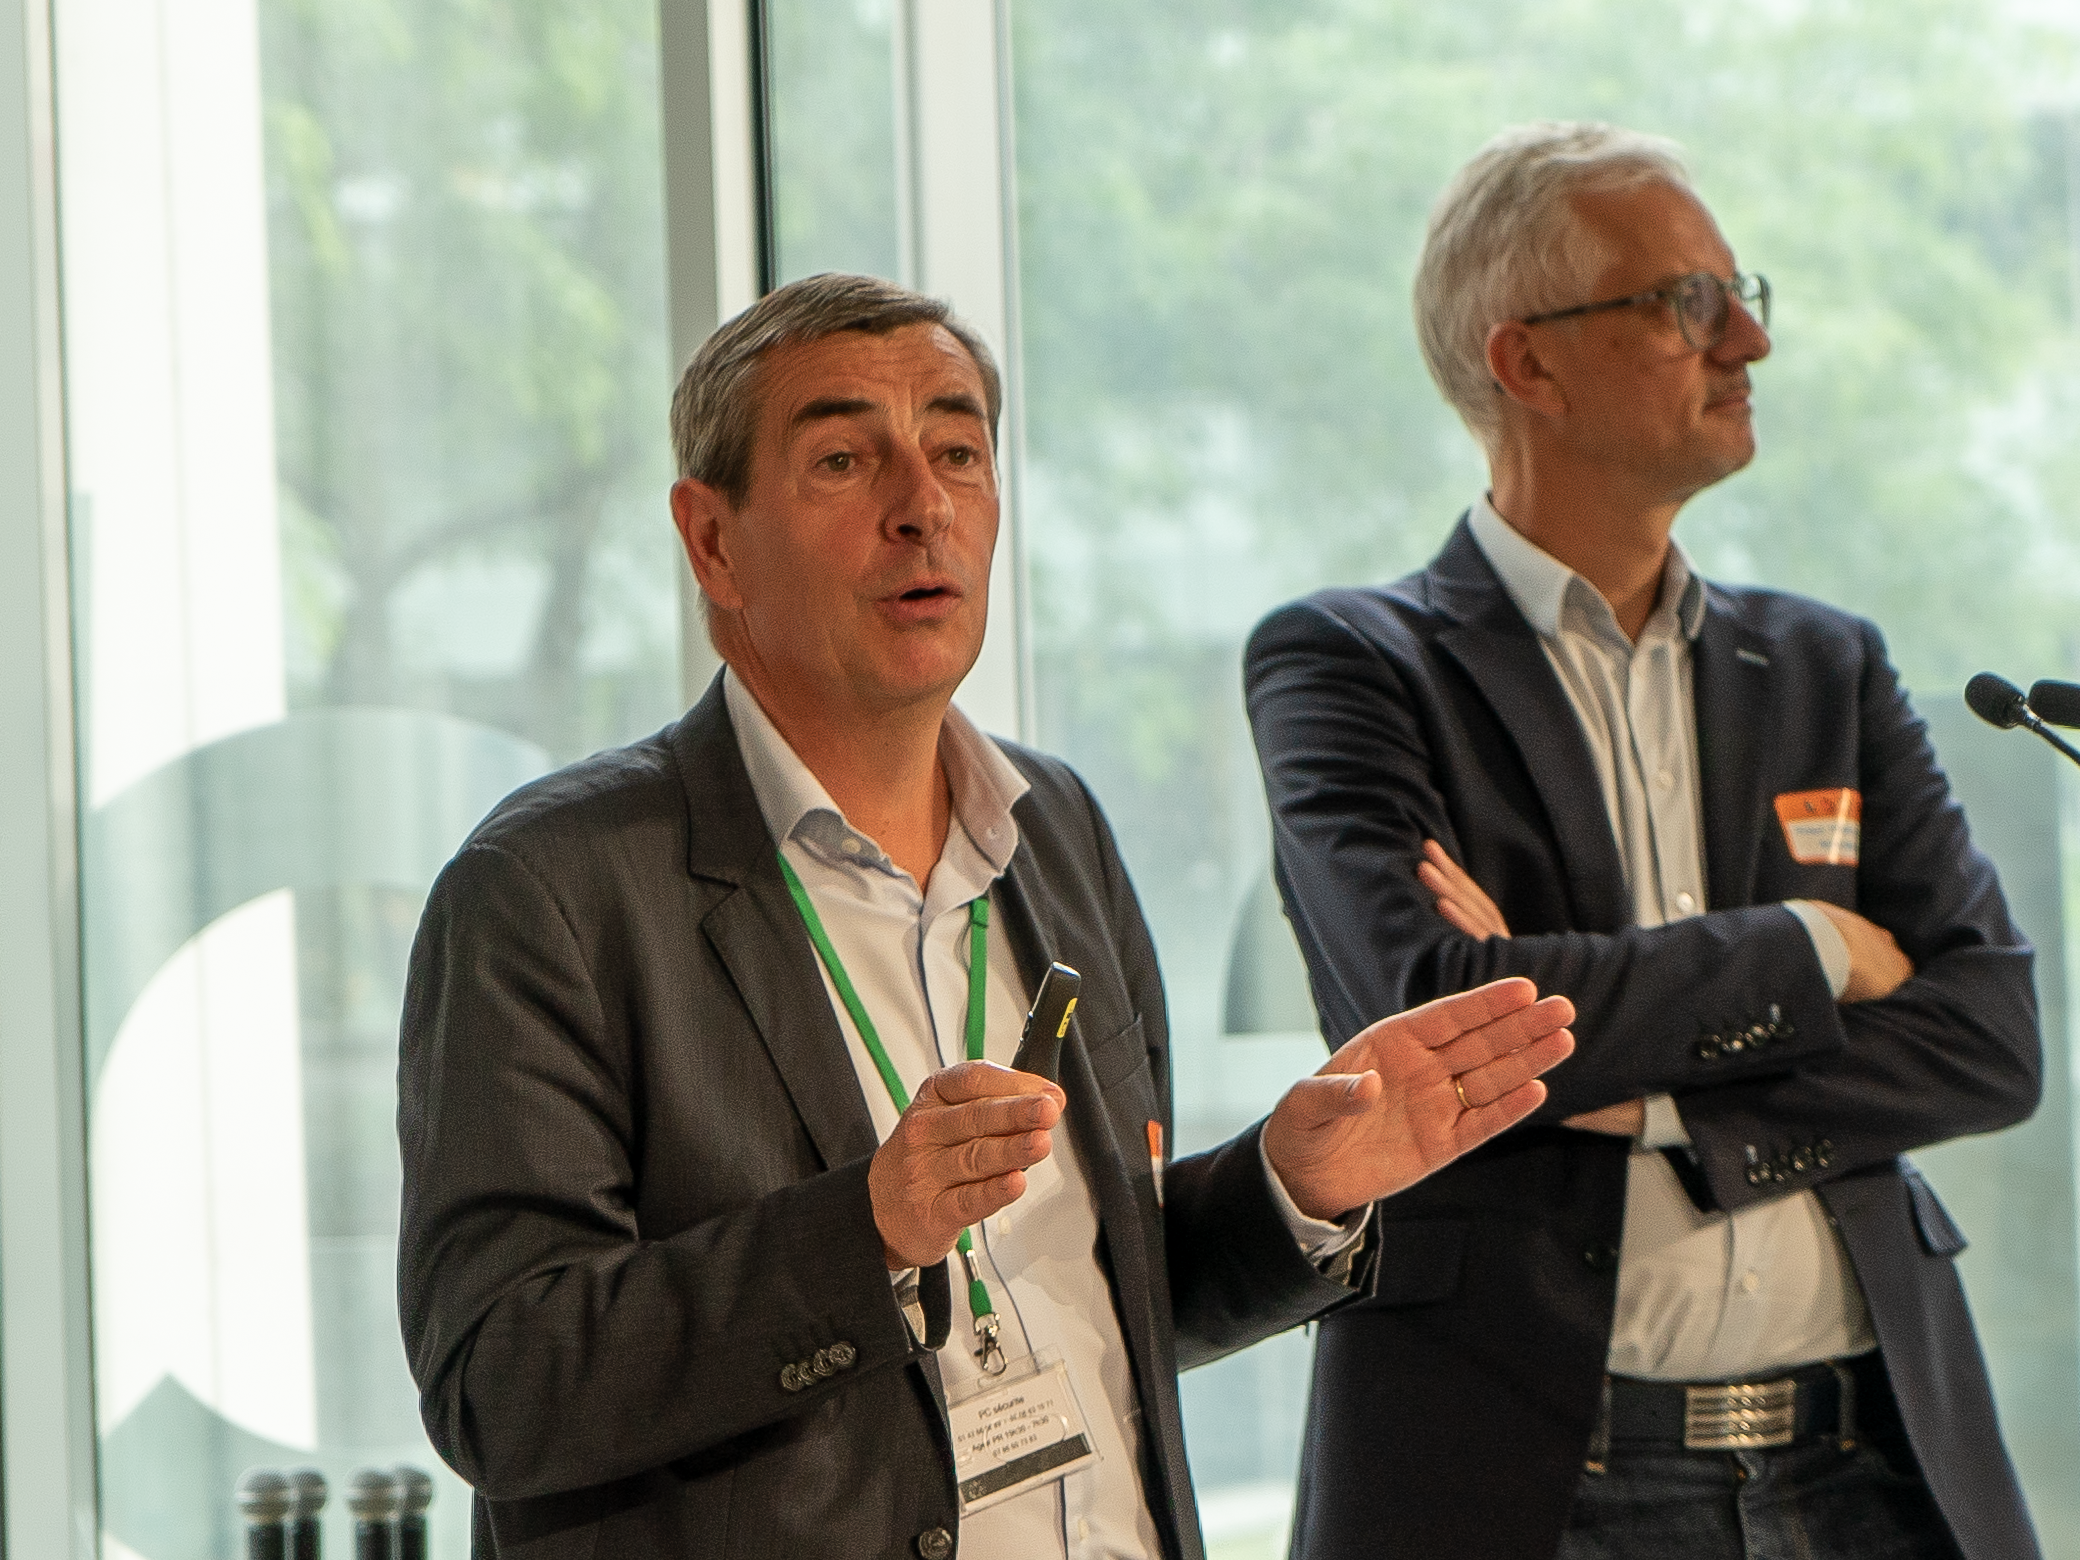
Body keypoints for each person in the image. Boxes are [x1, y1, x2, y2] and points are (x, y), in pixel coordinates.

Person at [395, 272, 1575, 1559]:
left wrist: (1288, 1187)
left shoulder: (1053, 826)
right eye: (844, 461)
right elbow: (500, 1385)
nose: (924, 506)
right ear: (712, 541)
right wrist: (868, 1231)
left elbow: (1093, 1289)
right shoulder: (549, 890)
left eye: (957, 451)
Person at [1243, 123, 2044, 1560]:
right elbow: (1435, 1013)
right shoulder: (1350, 664)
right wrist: (1814, 949)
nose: (1747, 341)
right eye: (1686, 303)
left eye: (1742, 295)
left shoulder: (1825, 666)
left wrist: (1655, 1102)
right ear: (1527, 363)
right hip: (1539, 1481)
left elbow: (1991, 1036)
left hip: (1869, 1467)